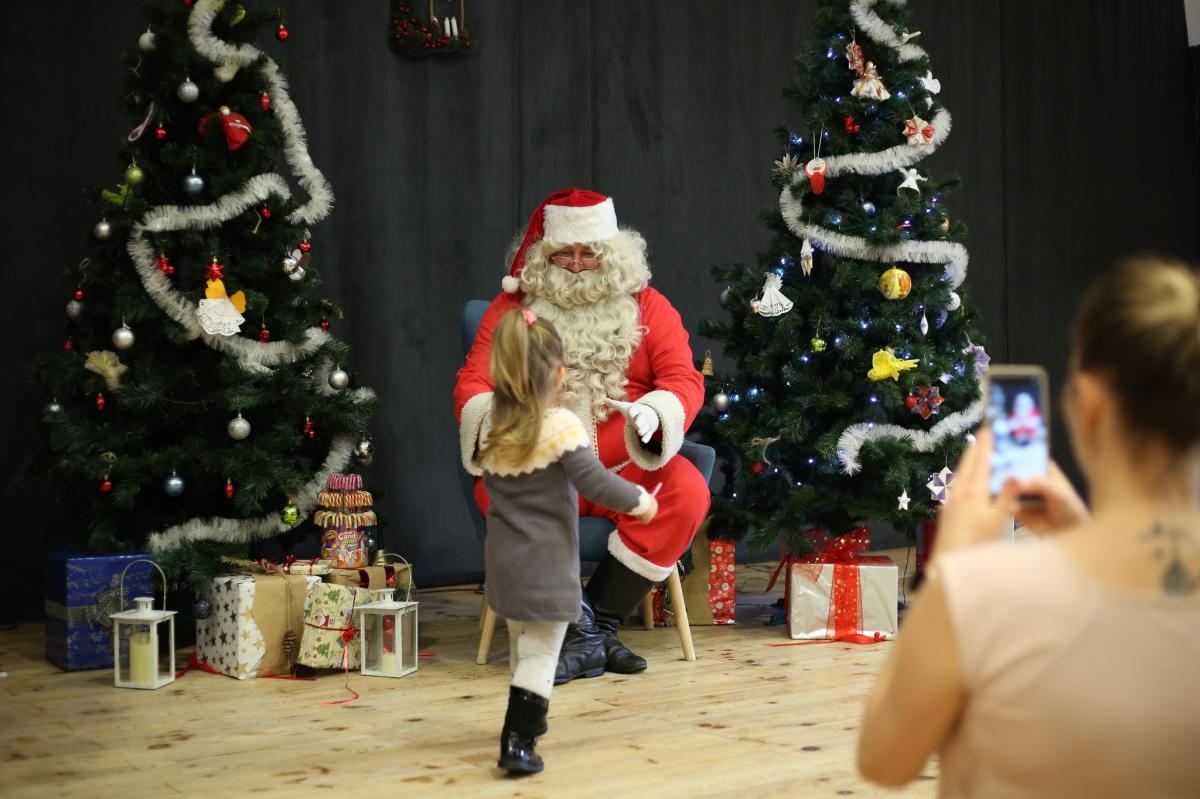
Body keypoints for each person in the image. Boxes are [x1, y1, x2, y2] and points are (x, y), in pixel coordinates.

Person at [858, 256, 1200, 797]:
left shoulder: (982, 592)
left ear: (1089, 406)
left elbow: (884, 760)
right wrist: (1080, 532)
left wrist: (950, 570)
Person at [456, 188, 709, 684]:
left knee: (685, 490)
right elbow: (474, 382)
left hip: (626, 464)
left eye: (588, 253)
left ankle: (593, 630)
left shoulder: (649, 306)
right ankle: (592, 636)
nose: (575, 265)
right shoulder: (511, 309)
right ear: (543, 256)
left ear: (610, 253)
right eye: (563, 254)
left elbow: (683, 378)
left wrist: (655, 413)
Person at [477, 309, 657, 775]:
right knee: (542, 654)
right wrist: (639, 500)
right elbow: (595, 482)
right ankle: (519, 738)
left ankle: (526, 714)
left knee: (523, 645)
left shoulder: (495, 430)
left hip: (503, 566)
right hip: (547, 567)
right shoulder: (559, 425)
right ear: (559, 374)